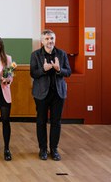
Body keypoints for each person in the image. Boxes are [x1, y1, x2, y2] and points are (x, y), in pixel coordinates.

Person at [30, 29, 71, 161]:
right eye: (47, 39)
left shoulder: (62, 54)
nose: (50, 41)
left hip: (58, 94)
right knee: (41, 122)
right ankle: (43, 149)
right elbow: (33, 73)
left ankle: (54, 149)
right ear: (42, 41)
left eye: (52, 38)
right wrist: (44, 69)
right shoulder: (35, 55)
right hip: (41, 94)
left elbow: (68, 72)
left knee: (56, 122)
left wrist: (59, 69)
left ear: (55, 40)